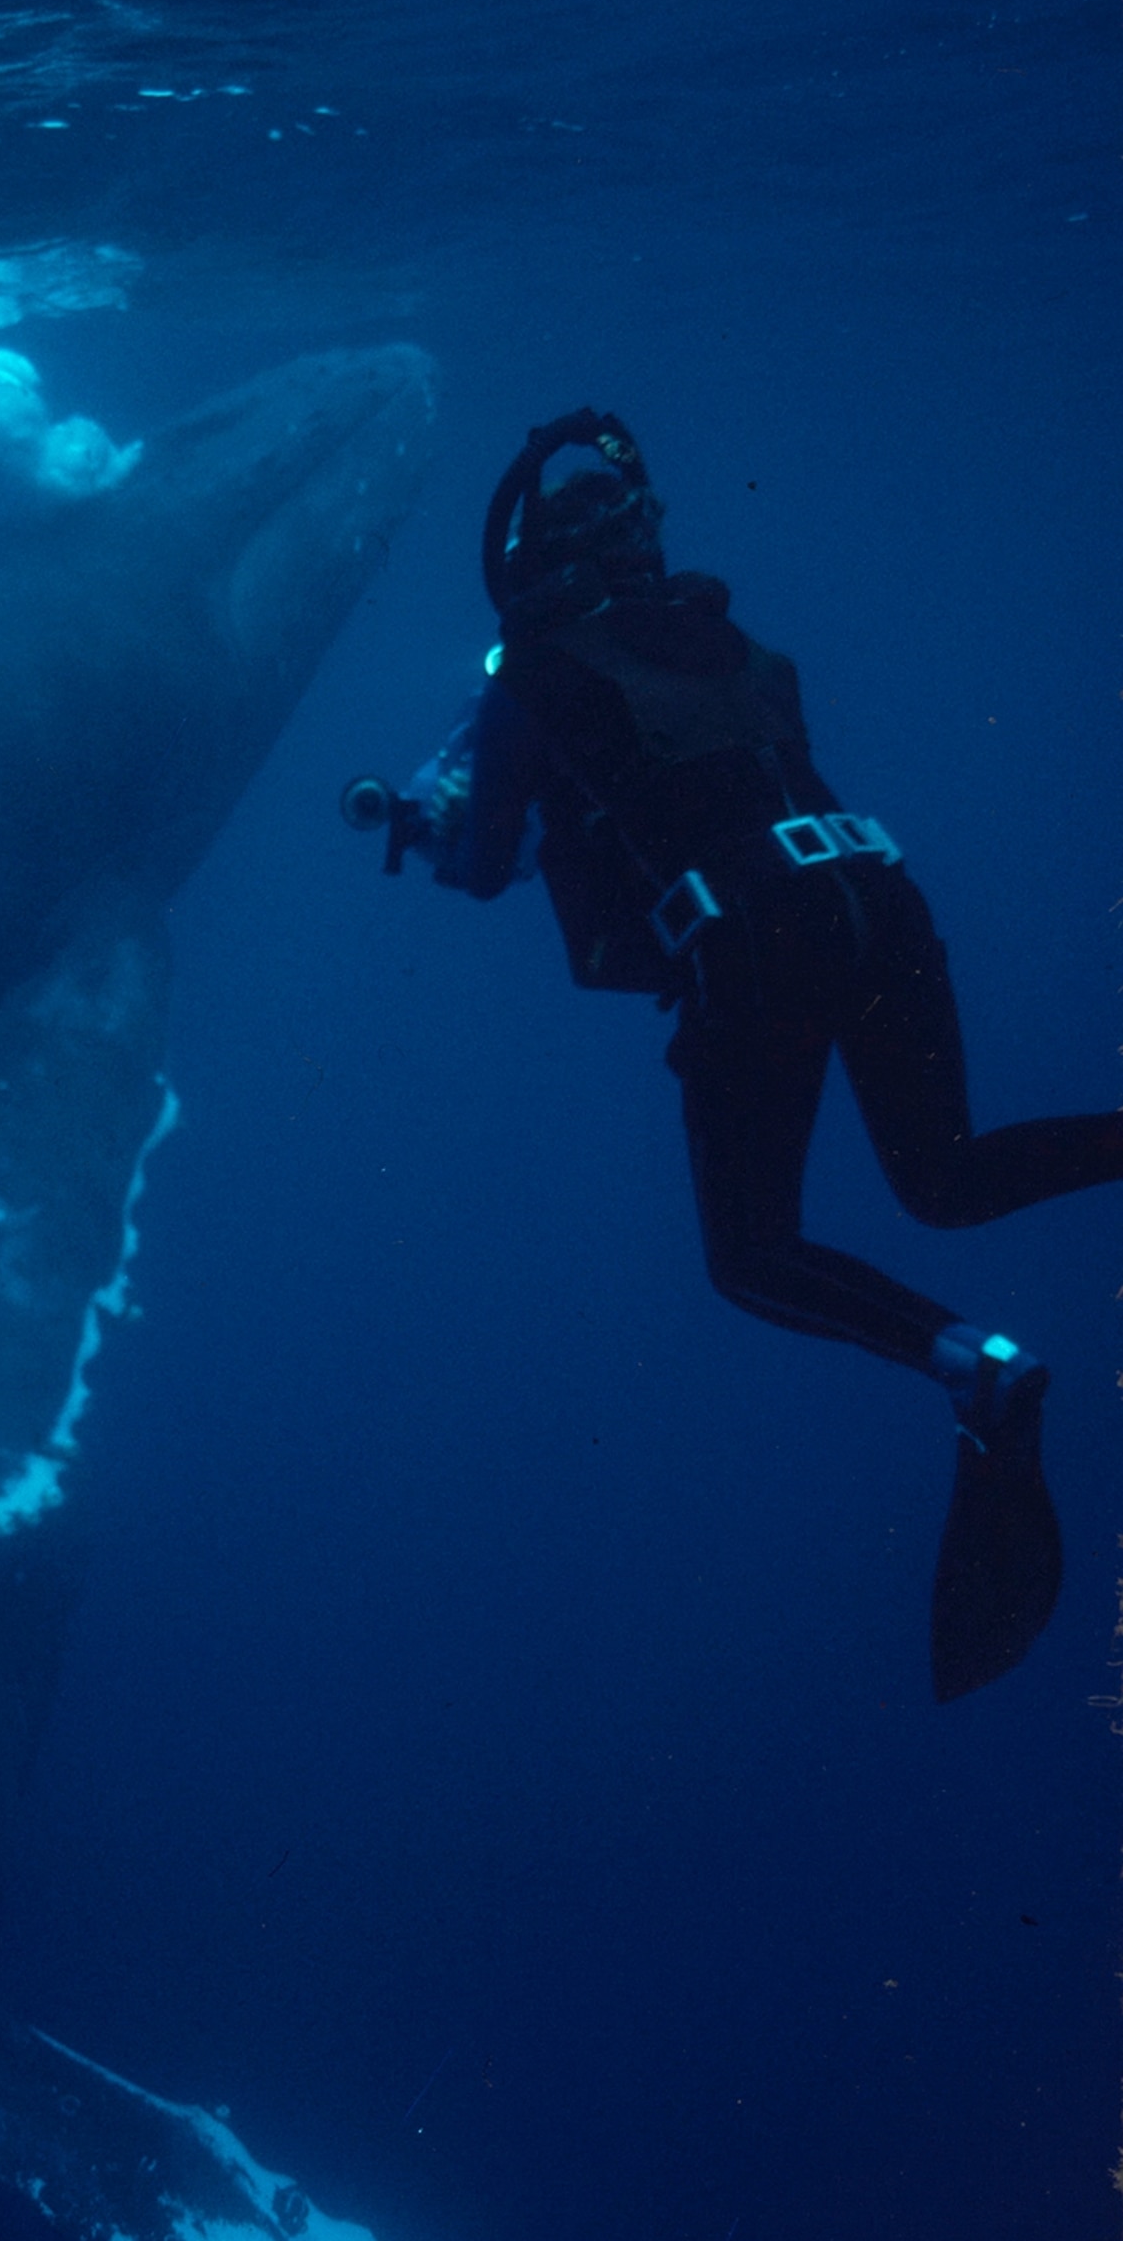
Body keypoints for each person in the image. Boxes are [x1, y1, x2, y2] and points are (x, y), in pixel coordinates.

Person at [344, 410, 1123, 1698]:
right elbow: (678, 781)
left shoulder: (528, 673)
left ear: (535, 570)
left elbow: (486, 863)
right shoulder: (742, 645)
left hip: (756, 944)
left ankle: (980, 1371)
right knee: (946, 1177)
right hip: (882, 900)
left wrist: (437, 824)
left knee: (752, 1254)